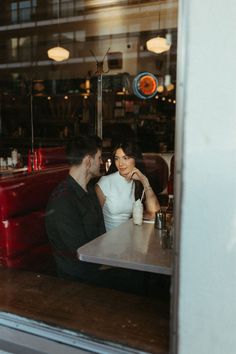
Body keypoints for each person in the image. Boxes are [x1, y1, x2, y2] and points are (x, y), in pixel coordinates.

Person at [45, 135, 105, 282]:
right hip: (77, 279)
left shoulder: (90, 190)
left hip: (95, 267)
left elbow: (101, 234)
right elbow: (81, 252)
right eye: (99, 158)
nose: (101, 162)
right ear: (89, 161)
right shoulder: (63, 200)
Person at [95, 140, 160, 231]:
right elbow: (94, 221)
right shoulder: (106, 182)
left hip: (129, 237)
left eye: (125, 158)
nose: (120, 163)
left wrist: (144, 181)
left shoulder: (137, 181)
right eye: (117, 158)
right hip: (109, 239)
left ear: (135, 159)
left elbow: (154, 213)